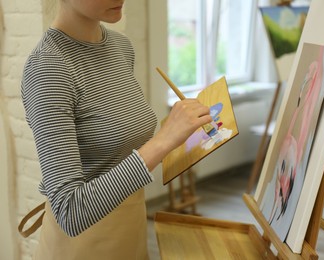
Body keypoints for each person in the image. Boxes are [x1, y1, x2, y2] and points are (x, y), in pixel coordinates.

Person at [20, 0, 212, 259]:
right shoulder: (48, 68)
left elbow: (119, 149)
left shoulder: (121, 47)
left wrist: (180, 139)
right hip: (82, 245)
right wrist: (162, 141)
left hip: (130, 229)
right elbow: (70, 211)